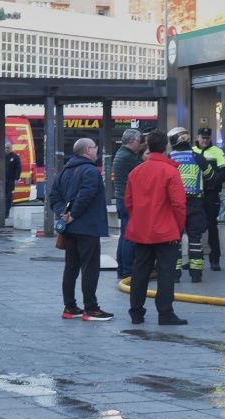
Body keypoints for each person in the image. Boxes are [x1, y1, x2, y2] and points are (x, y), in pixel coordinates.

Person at [124, 130, 188, 325]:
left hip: (141, 230)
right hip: (166, 231)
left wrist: (140, 219)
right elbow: (179, 204)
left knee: (140, 272)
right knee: (166, 273)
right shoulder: (170, 171)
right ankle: (165, 313)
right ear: (166, 147)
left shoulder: (136, 171)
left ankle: (136, 312)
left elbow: (129, 202)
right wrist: (178, 228)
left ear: (148, 146)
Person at [49, 137, 112, 320]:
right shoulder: (90, 170)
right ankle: (91, 309)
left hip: (70, 229)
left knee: (71, 267)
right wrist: (73, 214)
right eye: (95, 147)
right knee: (90, 268)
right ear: (87, 150)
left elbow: (54, 196)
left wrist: (63, 213)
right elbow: (87, 194)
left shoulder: (64, 171)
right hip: (87, 226)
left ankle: (70, 307)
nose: (97, 150)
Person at [166, 128, 211, 282]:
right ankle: (196, 275)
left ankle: (175, 275)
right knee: (195, 239)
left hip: (174, 205)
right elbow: (211, 176)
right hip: (195, 203)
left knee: (175, 239)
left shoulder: (169, 158)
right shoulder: (198, 157)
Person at [194, 127, 225, 272]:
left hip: (210, 194)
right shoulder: (191, 151)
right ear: (197, 137)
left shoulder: (217, 151)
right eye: (202, 137)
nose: (205, 140)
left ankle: (215, 259)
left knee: (212, 227)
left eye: (207, 138)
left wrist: (213, 181)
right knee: (193, 228)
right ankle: (194, 258)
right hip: (194, 195)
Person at [111, 128, 145, 281]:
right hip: (127, 201)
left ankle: (122, 269)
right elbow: (144, 169)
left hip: (121, 200)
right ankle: (128, 271)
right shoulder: (128, 157)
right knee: (129, 236)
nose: (140, 144)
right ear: (132, 141)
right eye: (139, 141)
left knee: (124, 235)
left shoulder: (120, 153)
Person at [2, 144, 23, 214]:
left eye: (8, 148)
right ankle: (3, 211)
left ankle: (6, 212)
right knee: (3, 196)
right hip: (3, 180)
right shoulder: (3, 156)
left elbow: (18, 168)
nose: (6, 149)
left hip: (11, 180)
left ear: (11, 148)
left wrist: (16, 178)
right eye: (5, 148)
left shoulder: (15, 157)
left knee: (8, 196)